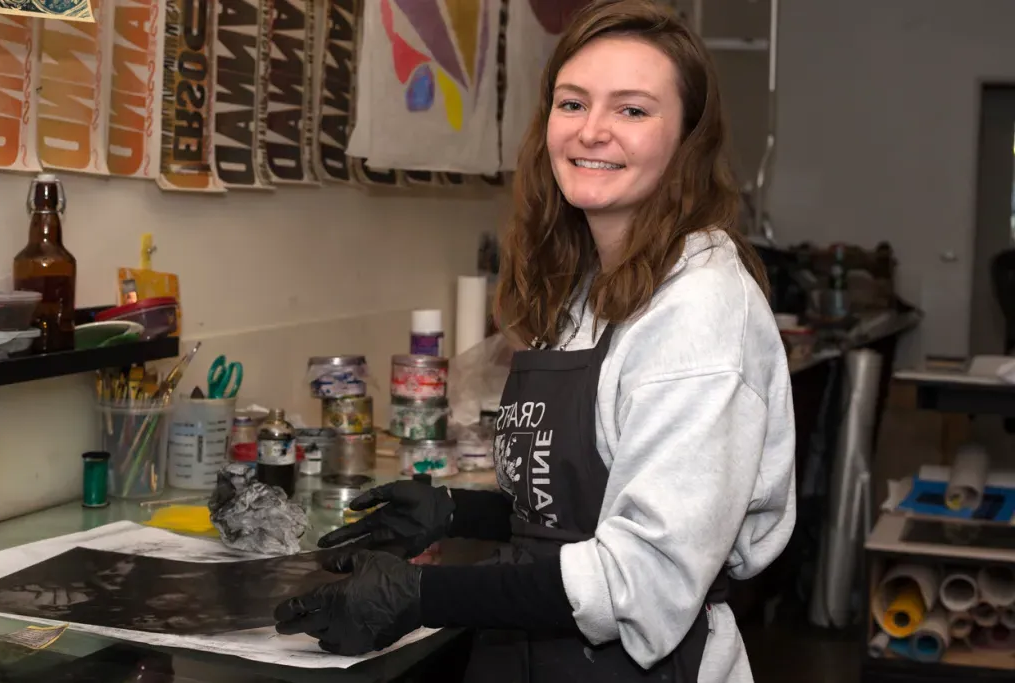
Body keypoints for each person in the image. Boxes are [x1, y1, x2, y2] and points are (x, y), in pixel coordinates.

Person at [273, 0, 796, 680]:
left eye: (633, 110)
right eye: (573, 103)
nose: (593, 131)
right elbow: (588, 505)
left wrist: (425, 595)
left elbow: (644, 575)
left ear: (687, 139)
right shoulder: (593, 287)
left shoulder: (699, 307)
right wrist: (458, 510)